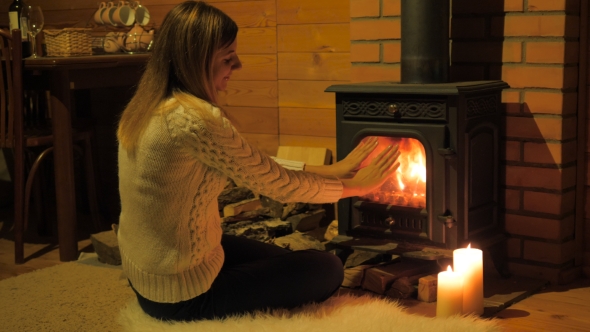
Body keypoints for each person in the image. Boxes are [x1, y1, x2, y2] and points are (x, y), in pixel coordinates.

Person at [116, 0, 400, 322]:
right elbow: (274, 185)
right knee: (328, 268)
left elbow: (246, 162)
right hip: (181, 293)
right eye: (227, 58)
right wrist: (353, 187)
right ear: (195, 61)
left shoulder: (150, 105)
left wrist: (328, 170)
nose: (237, 66)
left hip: (154, 269)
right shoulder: (194, 120)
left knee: (286, 260)